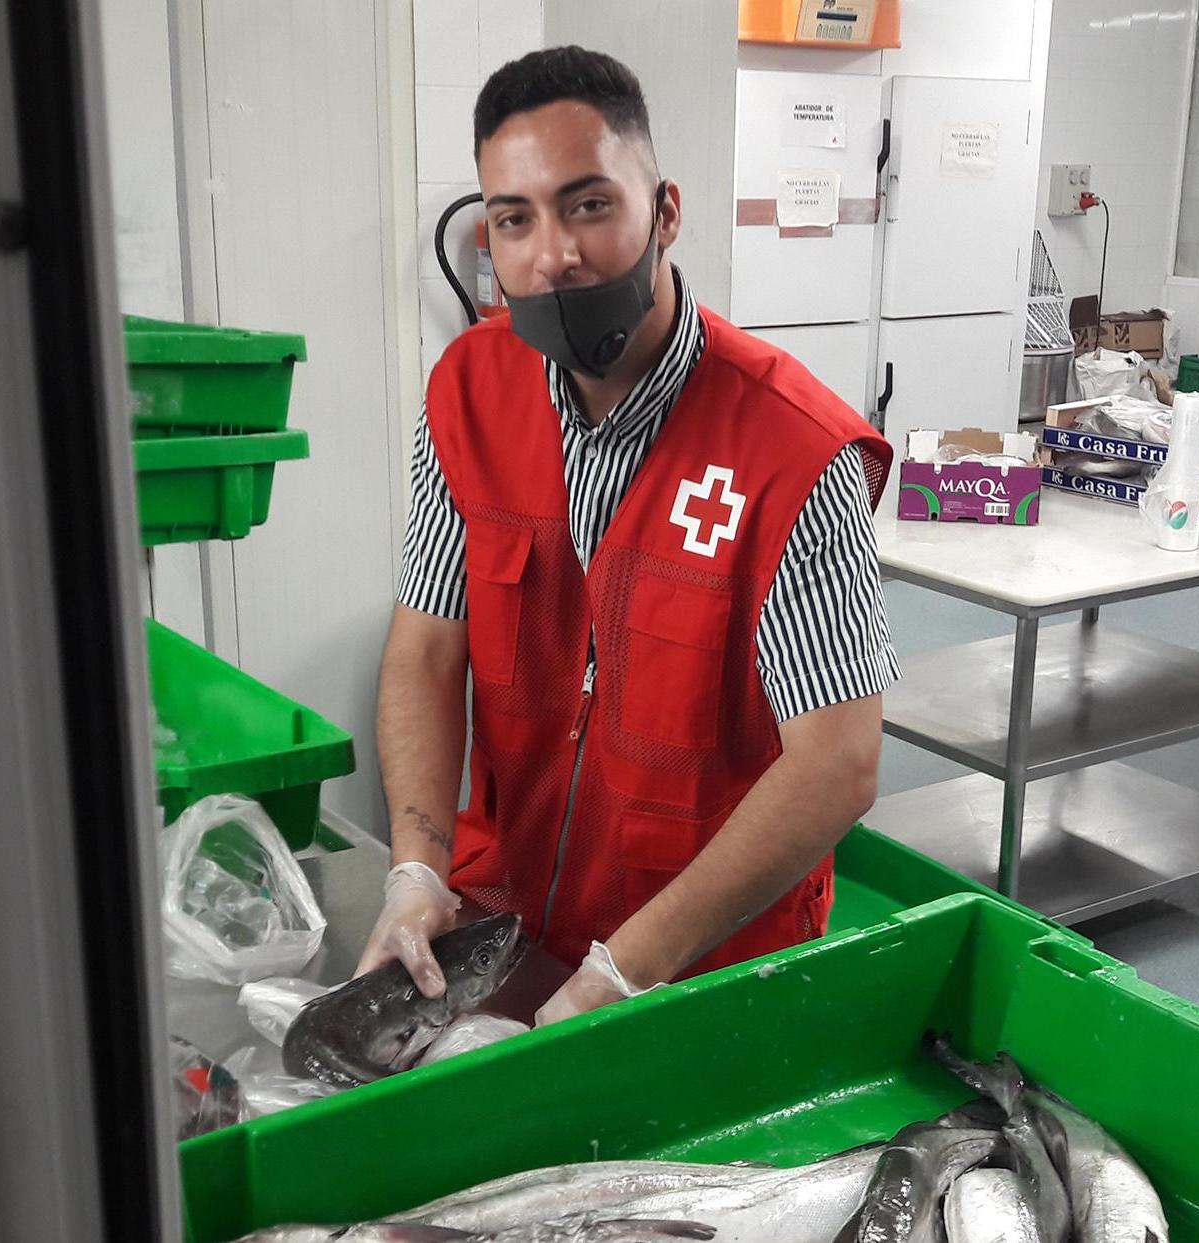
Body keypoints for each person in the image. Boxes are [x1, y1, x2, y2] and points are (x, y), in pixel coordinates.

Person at [359, 45, 897, 1026]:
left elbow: (836, 763)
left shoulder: (792, 450)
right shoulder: (467, 394)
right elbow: (426, 648)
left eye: (588, 204)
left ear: (666, 212)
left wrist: (625, 970)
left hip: (702, 966)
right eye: (514, 220)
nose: (552, 253)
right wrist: (414, 864)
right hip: (508, 929)